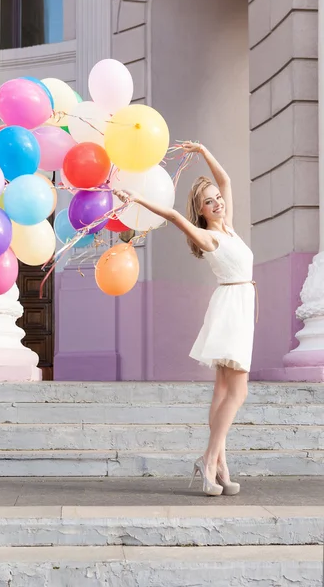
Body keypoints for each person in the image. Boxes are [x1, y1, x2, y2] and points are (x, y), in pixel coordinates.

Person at [113, 141, 255, 497]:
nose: (217, 202)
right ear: (202, 211)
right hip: (230, 308)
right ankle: (208, 460)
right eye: (209, 201)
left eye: (216, 198)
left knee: (223, 388)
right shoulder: (209, 237)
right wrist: (137, 199)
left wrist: (206, 151)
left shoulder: (229, 228)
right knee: (238, 390)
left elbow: (226, 182)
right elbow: (175, 217)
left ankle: (220, 464)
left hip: (238, 305)